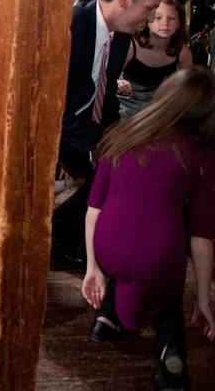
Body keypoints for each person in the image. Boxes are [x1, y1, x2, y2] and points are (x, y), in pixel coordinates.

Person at [82, 67, 215, 389]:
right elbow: (201, 238)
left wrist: (94, 268)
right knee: (167, 302)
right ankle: (173, 360)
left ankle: (108, 319)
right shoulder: (201, 156)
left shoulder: (122, 133)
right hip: (155, 259)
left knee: (129, 266)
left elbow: (93, 209)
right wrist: (203, 298)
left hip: (107, 246)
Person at [51, 0, 167, 270]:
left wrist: (120, 134)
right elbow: (52, 99)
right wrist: (99, 143)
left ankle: (94, 240)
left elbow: (106, 92)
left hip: (88, 123)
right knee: (111, 172)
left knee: (135, 162)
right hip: (57, 126)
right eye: (150, 8)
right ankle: (58, 234)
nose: (151, 17)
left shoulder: (120, 37)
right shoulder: (73, 27)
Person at [117, 0, 192, 117]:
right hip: (126, 102)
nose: (165, 23)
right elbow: (107, 79)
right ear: (147, 20)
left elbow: (188, 86)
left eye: (171, 18)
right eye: (158, 18)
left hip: (159, 104)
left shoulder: (182, 51)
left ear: (179, 24)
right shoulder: (131, 47)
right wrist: (118, 82)